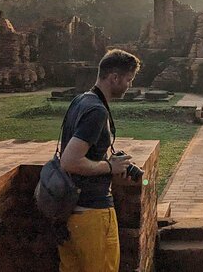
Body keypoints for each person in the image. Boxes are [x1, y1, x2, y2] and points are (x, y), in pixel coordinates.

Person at [58, 49, 141, 272]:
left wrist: (108, 160)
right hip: (92, 212)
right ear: (114, 77)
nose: (129, 85)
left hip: (69, 211)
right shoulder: (96, 111)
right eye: (128, 80)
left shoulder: (81, 100)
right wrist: (110, 166)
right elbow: (70, 161)